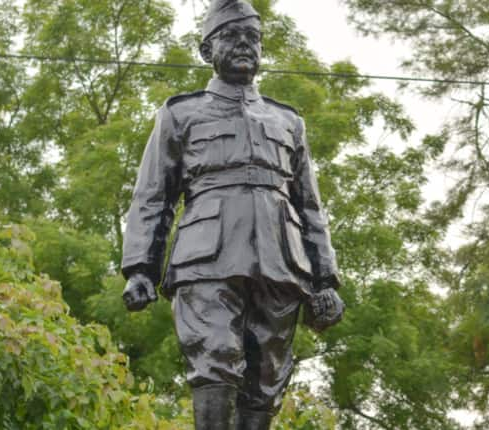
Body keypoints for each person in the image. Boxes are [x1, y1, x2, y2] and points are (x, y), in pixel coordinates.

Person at [120, 1, 343, 428]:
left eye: (253, 39)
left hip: (281, 263)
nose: (245, 46)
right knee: (214, 356)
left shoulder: (288, 120)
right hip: (206, 261)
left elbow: (310, 205)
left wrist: (325, 280)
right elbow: (153, 195)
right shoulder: (179, 114)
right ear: (207, 51)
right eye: (231, 36)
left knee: (267, 378)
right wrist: (140, 269)